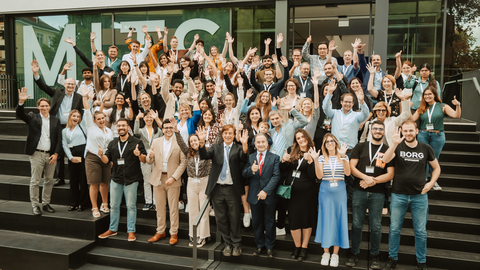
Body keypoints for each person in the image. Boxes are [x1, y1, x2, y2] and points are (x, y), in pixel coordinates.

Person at [380, 121, 441, 270]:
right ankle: (392, 258)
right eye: (405, 131)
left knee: (420, 231)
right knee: (394, 229)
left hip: (419, 196)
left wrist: (431, 182)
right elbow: (385, 160)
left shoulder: (426, 148)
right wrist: (394, 144)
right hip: (398, 195)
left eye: (410, 131)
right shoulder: (397, 146)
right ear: (402, 131)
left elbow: (436, 168)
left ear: (417, 131)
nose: (408, 133)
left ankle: (421, 261)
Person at [346, 120, 394, 269]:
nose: (378, 131)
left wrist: (371, 181)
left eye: (380, 129)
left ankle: (375, 256)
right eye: (375, 129)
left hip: (378, 194)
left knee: (376, 226)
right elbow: (351, 167)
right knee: (356, 224)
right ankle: (354, 253)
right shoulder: (360, 146)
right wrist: (365, 178)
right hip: (359, 191)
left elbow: (391, 174)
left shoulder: (388, 150)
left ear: (384, 131)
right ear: (370, 131)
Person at [198, 125, 249, 257]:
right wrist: (202, 142)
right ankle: (227, 244)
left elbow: (244, 158)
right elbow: (204, 156)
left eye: (230, 133)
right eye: (225, 133)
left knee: (235, 217)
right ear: (222, 134)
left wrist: (244, 145)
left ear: (233, 135)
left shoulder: (238, 148)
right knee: (221, 219)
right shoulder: (216, 147)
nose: (227, 135)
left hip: (232, 189)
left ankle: (237, 245)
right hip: (217, 189)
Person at [32, 59, 84, 187]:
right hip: (57, 126)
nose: (70, 86)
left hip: (72, 127)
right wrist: (36, 74)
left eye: (72, 85)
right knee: (58, 152)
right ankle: (60, 178)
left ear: (75, 86)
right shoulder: (57, 92)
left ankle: (76, 178)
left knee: (74, 151)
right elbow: (43, 86)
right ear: (64, 84)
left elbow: (82, 112)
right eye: (68, 84)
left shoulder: (79, 97)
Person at [97, 118, 147, 242]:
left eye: (123, 126)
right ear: (116, 128)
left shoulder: (137, 142)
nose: (121, 128)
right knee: (113, 206)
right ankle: (112, 229)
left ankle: (131, 231)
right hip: (116, 179)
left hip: (131, 179)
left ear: (128, 127)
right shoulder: (113, 143)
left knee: (131, 206)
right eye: (119, 126)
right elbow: (106, 160)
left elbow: (144, 159)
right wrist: (101, 155)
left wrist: (138, 154)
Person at [16, 88, 62, 216]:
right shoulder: (32, 117)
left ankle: (46, 203)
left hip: (51, 155)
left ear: (49, 106)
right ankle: (35, 205)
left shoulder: (55, 120)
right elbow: (20, 114)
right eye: (41, 106)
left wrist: (56, 154)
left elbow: (59, 139)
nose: (44, 108)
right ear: (38, 107)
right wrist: (21, 102)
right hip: (36, 154)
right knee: (35, 181)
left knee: (49, 180)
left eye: (46, 106)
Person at [409, 87, 461, 191]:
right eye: (425, 94)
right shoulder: (422, 107)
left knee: (434, 158)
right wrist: (406, 106)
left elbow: (456, 115)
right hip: (423, 134)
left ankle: (433, 181)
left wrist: (458, 105)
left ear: (434, 95)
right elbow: (412, 119)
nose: (427, 96)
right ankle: (423, 179)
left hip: (437, 135)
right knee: (422, 157)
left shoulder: (442, 106)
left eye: (429, 94)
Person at [146, 119, 187, 246]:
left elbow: (183, 163)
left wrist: (174, 177)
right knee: (159, 207)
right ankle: (160, 231)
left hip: (172, 180)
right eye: (166, 128)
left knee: (173, 208)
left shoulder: (179, 142)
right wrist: (150, 156)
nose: (168, 130)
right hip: (158, 179)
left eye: (170, 127)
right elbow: (148, 160)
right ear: (162, 129)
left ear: (173, 129)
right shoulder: (156, 141)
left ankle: (173, 232)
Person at [312, 133, 350, 267]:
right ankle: (326, 252)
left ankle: (335, 254)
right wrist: (316, 160)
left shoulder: (343, 156)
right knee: (326, 219)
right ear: (324, 144)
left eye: (331, 141)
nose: (329, 143)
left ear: (335, 142)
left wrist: (344, 156)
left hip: (339, 190)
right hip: (325, 190)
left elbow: (348, 173)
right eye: (327, 141)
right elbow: (319, 175)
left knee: (339, 220)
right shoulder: (322, 158)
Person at [279, 129, 316, 261]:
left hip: (308, 193)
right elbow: (282, 170)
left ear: (307, 137)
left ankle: (304, 248)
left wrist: (311, 161)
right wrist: (283, 160)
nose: (301, 140)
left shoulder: (314, 151)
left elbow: (314, 176)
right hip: (292, 193)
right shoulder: (292, 149)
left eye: (302, 137)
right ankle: (297, 247)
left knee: (306, 220)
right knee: (294, 220)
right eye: (298, 138)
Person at [242, 133, 281, 258]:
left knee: (270, 222)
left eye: (263, 141)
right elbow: (244, 173)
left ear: (267, 143)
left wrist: (266, 191)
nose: (261, 144)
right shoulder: (251, 157)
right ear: (254, 143)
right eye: (258, 142)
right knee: (257, 222)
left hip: (268, 196)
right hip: (254, 196)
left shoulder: (274, 157)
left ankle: (270, 246)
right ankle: (259, 245)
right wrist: (251, 170)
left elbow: (276, 176)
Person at [174, 125, 212, 247]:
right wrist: (176, 131)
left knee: (203, 211)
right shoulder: (188, 152)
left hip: (204, 182)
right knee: (193, 211)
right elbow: (180, 142)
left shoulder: (206, 151)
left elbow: (217, 142)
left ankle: (203, 236)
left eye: (195, 140)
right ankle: (194, 234)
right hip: (191, 183)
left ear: (199, 140)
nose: (193, 142)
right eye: (191, 141)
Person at [82, 87, 114, 218]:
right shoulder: (91, 127)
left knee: (105, 182)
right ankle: (94, 207)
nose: (101, 120)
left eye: (103, 118)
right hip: (93, 157)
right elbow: (87, 112)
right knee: (94, 183)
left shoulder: (109, 131)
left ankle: (104, 204)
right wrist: (85, 97)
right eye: (98, 118)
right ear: (94, 120)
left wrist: (110, 159)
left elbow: (110, 147)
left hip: (105, 159)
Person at [134, 110, 163, 211]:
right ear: (144, 118)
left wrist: (157, 118)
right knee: (146, 179)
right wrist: (137, 119)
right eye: (146, 117)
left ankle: (155, 201)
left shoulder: (158, 131)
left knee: (156, 179)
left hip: (156, 156)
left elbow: (165, 130)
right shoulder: (141, 130)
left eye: (150, 117)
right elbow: (135, 133)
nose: (149, 119)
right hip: (144, 155)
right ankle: (148, 201)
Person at [62, 110, 89, 212]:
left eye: (78, 116)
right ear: (70, 117)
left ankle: (83, 203)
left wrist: (88, 99)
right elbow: (64, 145)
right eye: (74, 116)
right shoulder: (65, 131)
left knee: (83, 179)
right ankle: (74, 203)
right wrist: (70, 157)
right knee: (73, 180)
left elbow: (87, 113)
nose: (76, 118)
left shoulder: (82, 126)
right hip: (72, 156)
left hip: (83, 154)